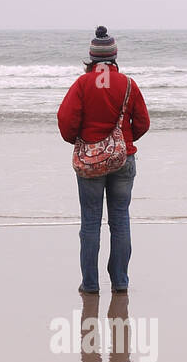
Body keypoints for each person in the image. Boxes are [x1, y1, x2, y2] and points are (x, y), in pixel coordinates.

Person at [57, 26, 150, 294]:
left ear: (92, 57)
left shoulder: (82, 84)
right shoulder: (129, 84)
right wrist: (125, 141)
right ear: (114, 56)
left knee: (90, 222)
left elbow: (65, 120)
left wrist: (79, 139)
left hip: (90, 163)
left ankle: (90, 284)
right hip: (123, 160)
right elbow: (143, 123)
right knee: (120, 221)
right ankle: (120, 282)